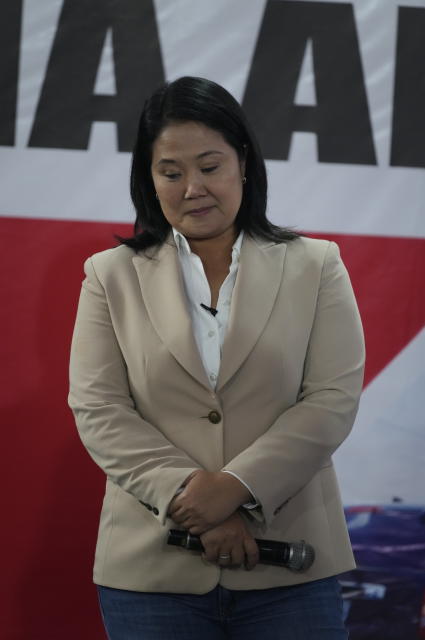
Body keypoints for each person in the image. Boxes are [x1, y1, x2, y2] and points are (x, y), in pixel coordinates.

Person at [68, 76, 365, 639]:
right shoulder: (109, 276)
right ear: (148, 179)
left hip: (291, 570)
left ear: (244, 163)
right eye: (170, 172)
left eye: (210, 166)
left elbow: (331, 399)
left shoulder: (316, 264)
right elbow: (99, 408)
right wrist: (192, 498)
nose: (192, 188)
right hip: (153, 575)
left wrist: (235, 488)